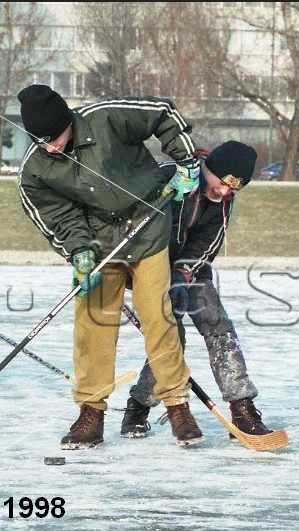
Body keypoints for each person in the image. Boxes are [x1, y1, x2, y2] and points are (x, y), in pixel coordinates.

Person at [16, 85, 204, 449]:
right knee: (93, 324)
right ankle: (91, 412)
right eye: (41, 142)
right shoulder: (36, 171)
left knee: (158, 318)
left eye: (54, 138)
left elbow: (163, 113)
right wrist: (80, 253)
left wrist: (187, 162)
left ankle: (178, 405)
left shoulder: (105, 118)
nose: (50, 147)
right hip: (101, 243)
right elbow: (57, 216)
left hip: (148, 226)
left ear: (67, 121)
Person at [120, 141, 275, 440]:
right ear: (210, 168)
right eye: (224, 183)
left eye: (235, 188)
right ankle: (138, 407)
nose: (226, 192)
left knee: (219, 327)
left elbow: (209, 240)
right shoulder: (169, 176)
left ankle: (242, 408)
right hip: (151, 265)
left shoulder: (223, 199)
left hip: (191, 270)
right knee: (169, 339)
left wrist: (184, 271)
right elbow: (131, 221)